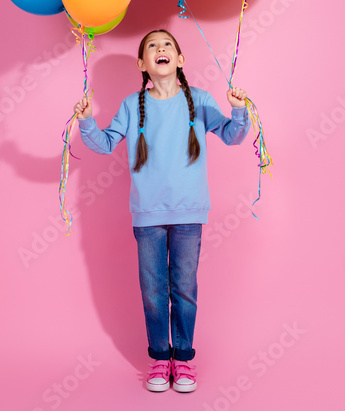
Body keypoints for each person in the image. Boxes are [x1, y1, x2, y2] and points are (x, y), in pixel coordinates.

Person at [74, 29, 250, 392]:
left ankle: (183, 360)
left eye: (167, 44)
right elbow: (106, 143)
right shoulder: (130, 105)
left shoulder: (198, 100)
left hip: (189, 214)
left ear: (180, 60)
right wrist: (88, 119)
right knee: (154, 291)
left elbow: (233, 136)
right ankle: (159, 359)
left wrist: (238, 108)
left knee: (184, 289)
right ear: (143, 64)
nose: (160, 49)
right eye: (152, 46)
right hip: (148, 215)